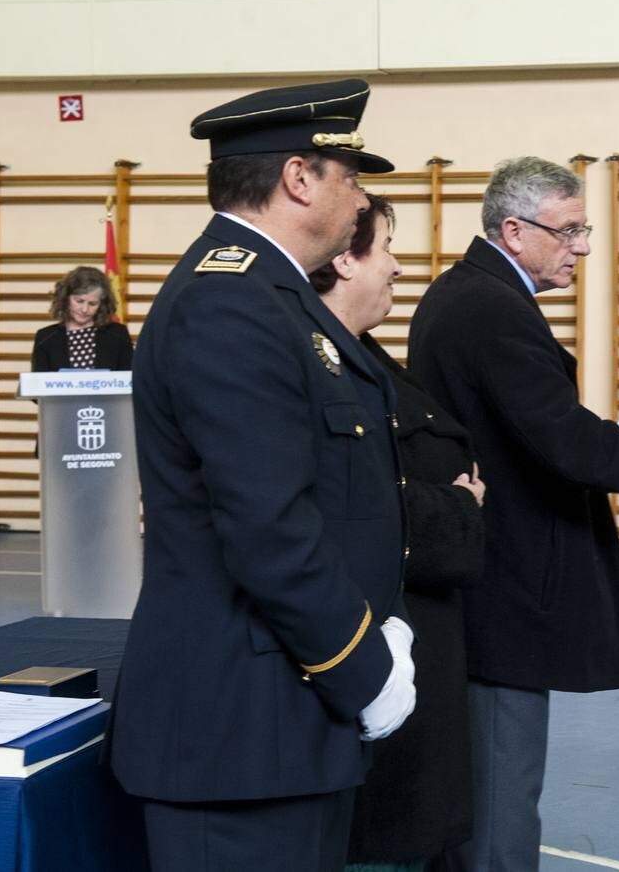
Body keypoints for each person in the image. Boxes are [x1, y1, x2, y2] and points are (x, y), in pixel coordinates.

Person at [406, 156, 619, 872]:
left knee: (482, 800)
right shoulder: (490, 310)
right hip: (501, 591)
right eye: (569, 231)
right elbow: (573, 446)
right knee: (500, 811)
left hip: (486, 577)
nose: (584, 247)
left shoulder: (475, 295)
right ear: (514, 229)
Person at [109, 79, 418, 872]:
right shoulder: (232, 303)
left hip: (282, 715)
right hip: (239, 729)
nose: (359, 203)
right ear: (299, 178)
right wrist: (364, 670)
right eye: (350, 179)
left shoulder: (274, 297)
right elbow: (268, 525)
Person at [309, 192, 486, 872]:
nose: (398, 266)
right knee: (384, 839)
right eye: (386, 246)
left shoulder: (362, 357)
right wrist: (459, 509)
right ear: (346, 262)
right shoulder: (320, 367)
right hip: (375, 643)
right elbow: (348, 503)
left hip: (423, 636)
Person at [31, 264, 133, 372]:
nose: (84, 309)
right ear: (66, 298)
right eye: (79, 301)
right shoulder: (45, 338)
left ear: (102, 304)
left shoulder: (118, 334)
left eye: (92, 304)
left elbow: (129, 380)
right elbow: (38, 384)